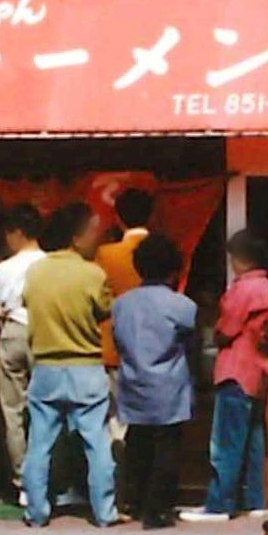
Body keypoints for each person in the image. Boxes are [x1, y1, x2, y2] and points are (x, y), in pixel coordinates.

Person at [19, 204, 117, 527]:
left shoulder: (35, 272)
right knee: (97, 443)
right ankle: (104, 513)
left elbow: (26, 303)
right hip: (86, 367)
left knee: (39, 444)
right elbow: (105, 310)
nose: (96, 239)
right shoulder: (93, 274)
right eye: (92, 232)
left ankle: (36, 512)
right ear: (76, 237)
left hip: (45, 367)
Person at [111, 232, 198, 530]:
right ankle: (157, 509)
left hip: (133, 381)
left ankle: (132, 500)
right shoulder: (182, 306)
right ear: (173, 269)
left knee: (137, 443)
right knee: (167, 447)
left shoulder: (121, 304)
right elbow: (191, 343)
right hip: (168, 386)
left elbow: (118, 340)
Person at [191, 226, 268, 520]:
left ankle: (219, 502)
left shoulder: (242, 289)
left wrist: (215, 331)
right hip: (257, 370)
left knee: (226, 442)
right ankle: (254, 500)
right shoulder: (267, 287)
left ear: (238, 259)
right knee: (253, 441)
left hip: (234, 371)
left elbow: (226, 328)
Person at [96, 189, 155, 511]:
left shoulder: (106, 254)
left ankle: (118, 492)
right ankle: (143, 489)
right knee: (148, 425)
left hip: (112, 347)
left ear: (117, 216)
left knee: (114, 423)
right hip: (153, 348)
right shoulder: (161, 250)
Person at [0, 204, 46, 507]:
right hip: (44, 334)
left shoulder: (4, 268)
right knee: (45, 409)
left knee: (12, 411)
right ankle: (46, 477)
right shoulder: (49, 264)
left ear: (17, 233)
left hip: (12, 331)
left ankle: (24, 481)